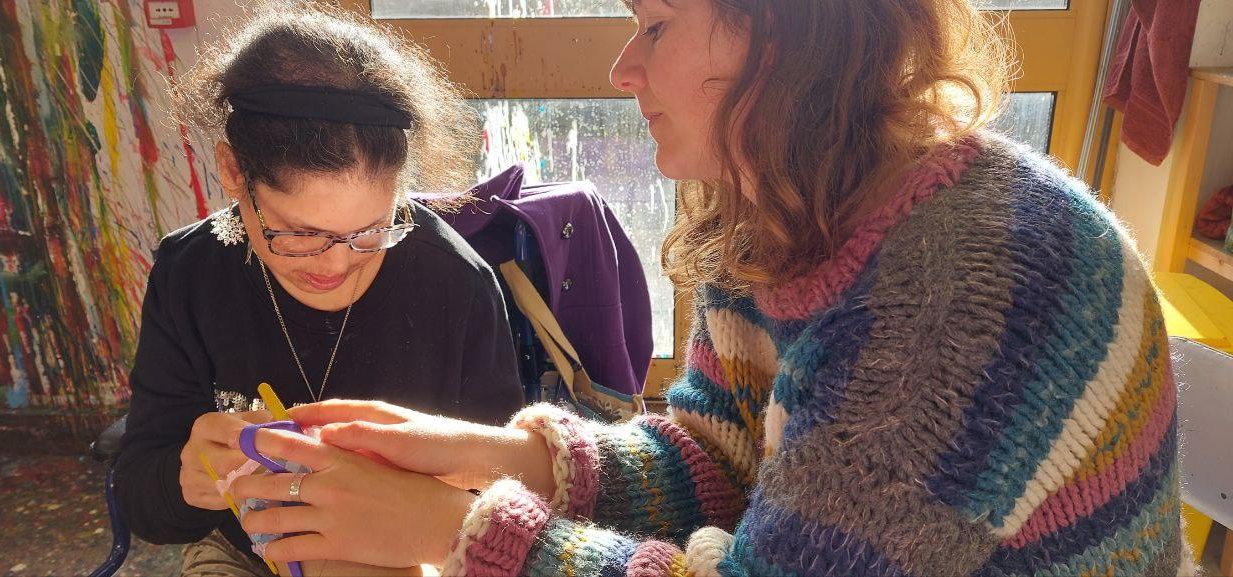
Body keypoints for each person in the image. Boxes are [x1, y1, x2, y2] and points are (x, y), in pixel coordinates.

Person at [230, 0, 1186, 575]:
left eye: (656, 25)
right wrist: (488, 454)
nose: (624, 67)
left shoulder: (966, 293)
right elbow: (722, 460)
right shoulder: (778, 199)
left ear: (788, 31)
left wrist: (455, 525)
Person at [112, 4, 525, 575]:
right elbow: (141, 499)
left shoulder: (457, 283)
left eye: (371, 230)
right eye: (299, 233)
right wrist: (188, 478)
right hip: (247, 550)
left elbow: (508, 493)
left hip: (405, 553)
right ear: (233, 171)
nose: (336, 263)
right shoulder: (191, 274)